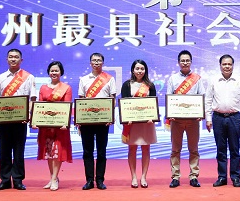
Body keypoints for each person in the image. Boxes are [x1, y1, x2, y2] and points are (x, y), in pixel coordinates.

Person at [0, 49, 36, 191]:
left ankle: (18, 179)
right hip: (3, 120)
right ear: (6, 59)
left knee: (18, 151)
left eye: (16, 57)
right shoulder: (0, 78)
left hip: (20, 121)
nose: (13, 59)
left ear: (21, 60)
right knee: (4, 150)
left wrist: (28, 115)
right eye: (10, 57)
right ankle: (5, 180)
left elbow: (32, 99)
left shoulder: (29, 77)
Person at [205, 54, 240, 187]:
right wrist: (208, 119)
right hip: (218, 118)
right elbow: (208, 100)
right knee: (221, 149)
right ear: (220, 66)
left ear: (233, 66)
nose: (227, 66)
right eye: (224, 64)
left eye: (229, 64)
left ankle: (235, 177)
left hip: (234, 118)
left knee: (235, 149)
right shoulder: (213, 80)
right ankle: (222, 177)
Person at [166, 50, 205, 188]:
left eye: (187, 60)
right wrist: (170, 113)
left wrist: (201, 113)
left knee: (193, 149)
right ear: (178, 62)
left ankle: (194, 176)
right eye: (182, 60)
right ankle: (175, 177)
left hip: (193, 120)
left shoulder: (197, 79)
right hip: (176, 120)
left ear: (191, 62)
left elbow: (202, 96)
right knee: (175, 149)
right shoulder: (172, 79)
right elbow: (169, 97)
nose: (185, 63)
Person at [77, 53, 116, 190]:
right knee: (87, 151)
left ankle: (100, 180)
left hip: (103, 121)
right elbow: (81, 100)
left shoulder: (110, 79)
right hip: (87, 121)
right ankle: (89, 180)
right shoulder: (84, 79)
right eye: (94, 60)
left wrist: (110, 117)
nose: (96, 62)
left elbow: (112, 99)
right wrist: (79, 119)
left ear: (103, 63)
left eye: (99, 60)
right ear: (90, 63)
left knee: (101, 151)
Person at [35, 61, 73, 191]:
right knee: (48, 152)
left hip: (60, 126)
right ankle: (53, 178)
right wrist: (37, 121)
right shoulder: (43, 88)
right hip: (46, 126)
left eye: (56, 70)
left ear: (61, 72)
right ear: (48, 72)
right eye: (52, 70)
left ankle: (54, 178)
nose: (54, 73)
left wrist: (65, 123)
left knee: (57, 152)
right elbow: (40, 106)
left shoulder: (66, 88)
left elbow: (67, 106)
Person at [121, 59, 157, 188]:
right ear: (132, 70)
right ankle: (134, 177)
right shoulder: (127, 85)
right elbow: (124, 103)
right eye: (137, 68)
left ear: (145, 70)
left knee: (146, 148)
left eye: (142, 68)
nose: (139, 71)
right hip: (132, 123)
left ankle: (144, 177)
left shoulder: (150, 85)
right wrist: (127, 117)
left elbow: (153, 104)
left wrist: (152, 117)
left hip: (146, 124)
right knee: (132, 148)